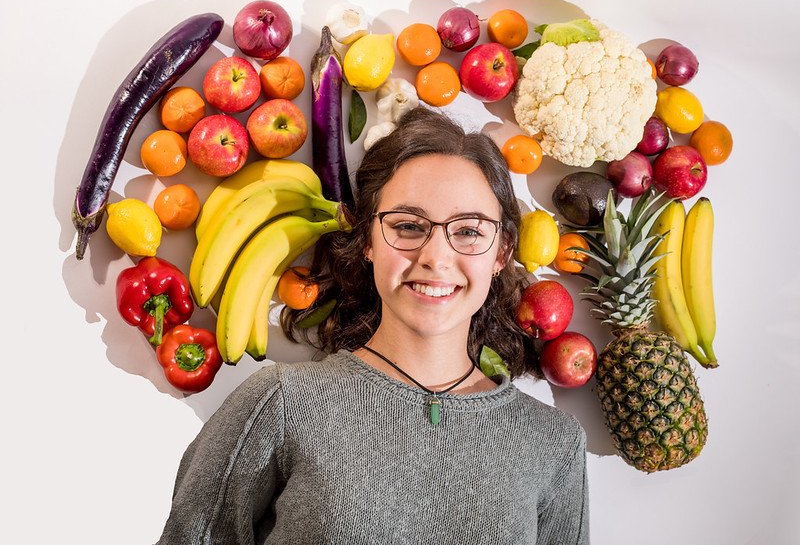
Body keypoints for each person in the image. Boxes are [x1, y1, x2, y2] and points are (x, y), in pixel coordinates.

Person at [157, 107, 589, 544]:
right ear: (366, 240)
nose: (435, 257)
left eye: (470, 232)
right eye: (407, 225)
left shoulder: (553, 443)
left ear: (501, 252)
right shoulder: (281, 404)